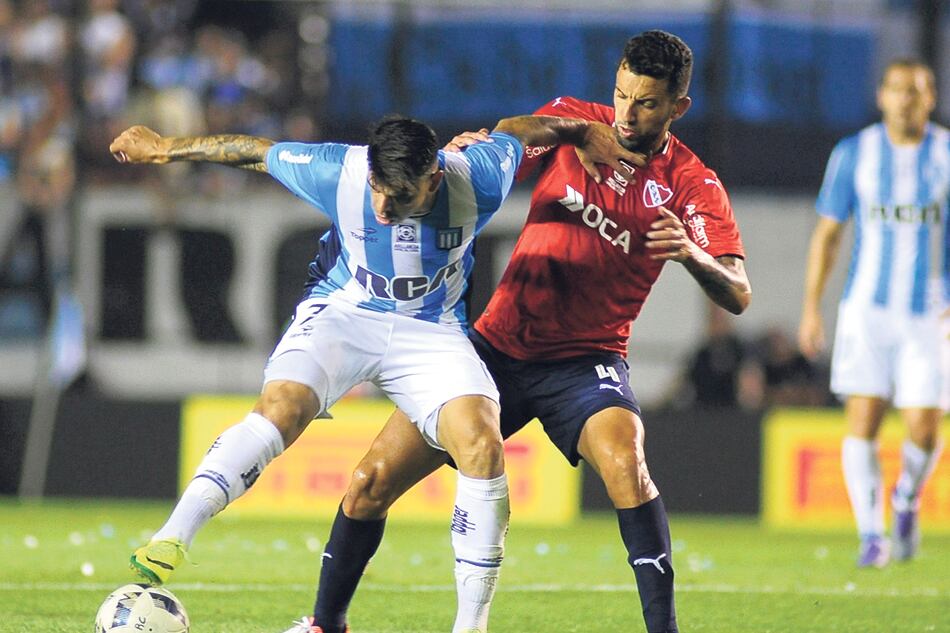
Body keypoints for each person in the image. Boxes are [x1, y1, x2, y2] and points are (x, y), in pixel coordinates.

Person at [290, 30, 750, 633]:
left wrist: (693, 254)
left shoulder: (692, 184)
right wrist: (475, 148)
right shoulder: (575, 122)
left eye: (646, 103)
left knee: (626, 463)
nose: (627, 113)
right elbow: (509, 135)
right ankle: (326, 622)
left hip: (586, 364)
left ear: (677, 108)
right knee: (369, 481)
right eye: (621, 95)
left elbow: (738, 292)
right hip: (493, 350)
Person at [108, 112, 640, 633]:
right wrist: (164, 147)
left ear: (433, 179)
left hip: (430, 333)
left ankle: (471, 625)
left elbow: (518, 131)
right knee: (281, 408)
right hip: (345, 313)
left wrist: (579, 132)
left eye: (399, 195)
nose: (382, 207)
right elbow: (256, 153)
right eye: (377, 190)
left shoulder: (476, 177)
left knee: (481, 444)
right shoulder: (341, 172)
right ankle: (174, 535)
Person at [798, 59, 948, 568]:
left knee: (925, 428)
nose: (907, 98)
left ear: (931, 98)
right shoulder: (854, 153)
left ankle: (906, 498)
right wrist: (812, 310)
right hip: (866, 310)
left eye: (918, 90)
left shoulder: (948, 155)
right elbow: (828, 234)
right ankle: (872, 536)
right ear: (882, 96)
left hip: (932, 314)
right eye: (898, 89)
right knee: (861, 420)